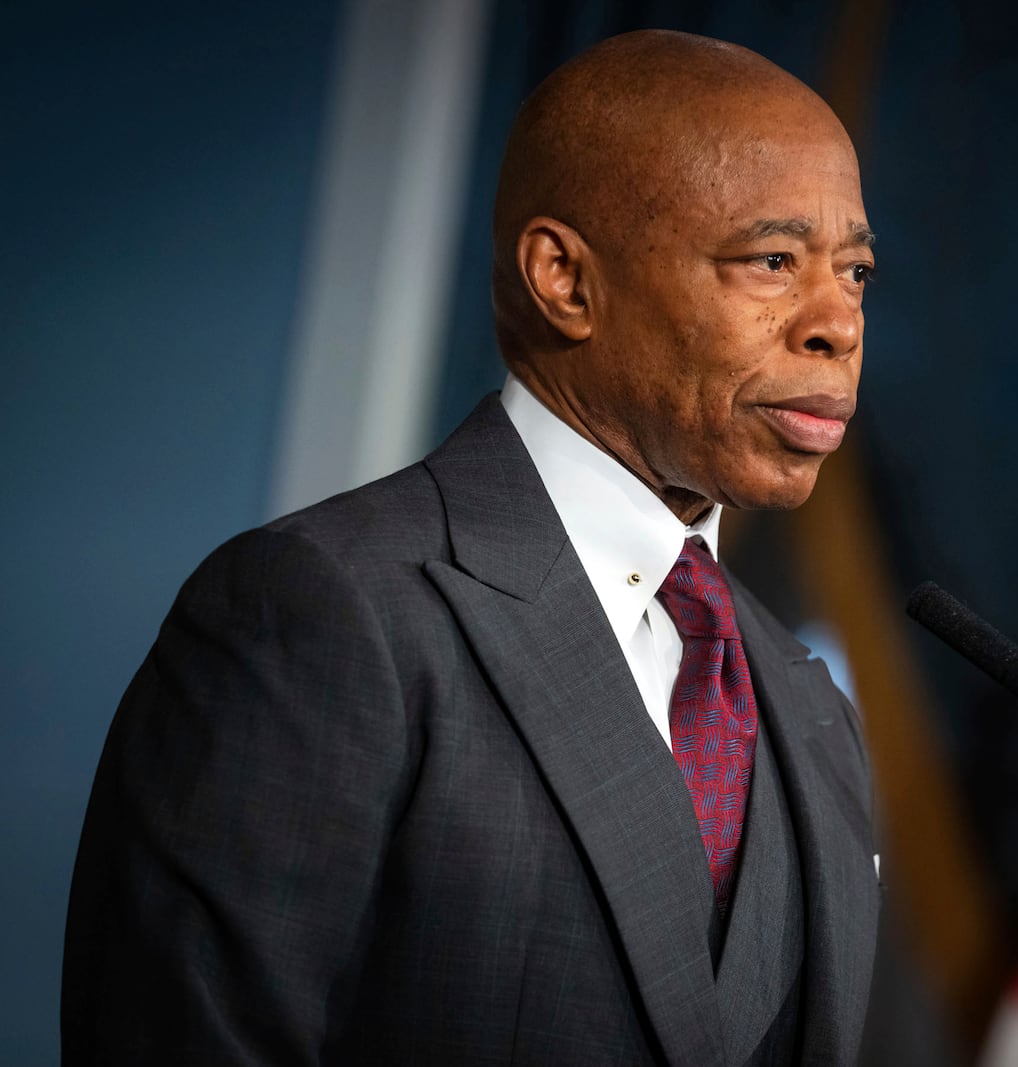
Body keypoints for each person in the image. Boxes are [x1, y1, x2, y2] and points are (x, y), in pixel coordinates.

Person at [62, 29, 880, 1066]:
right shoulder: (321, 611)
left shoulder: (809, 707)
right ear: (564, 279)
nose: (836, 324)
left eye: (854, 273)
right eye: (772, 261)